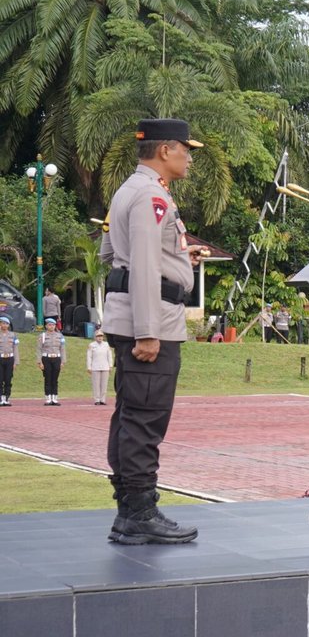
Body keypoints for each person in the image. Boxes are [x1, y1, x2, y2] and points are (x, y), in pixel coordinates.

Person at [99, 117, 204, 545]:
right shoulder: (151, 196)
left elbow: (112, 252)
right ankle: (139, 511)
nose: (190, 157)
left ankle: (130, 508)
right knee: (145, 418)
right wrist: (146, 330)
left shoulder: (130, 189)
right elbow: (141, 263)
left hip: (138, 312)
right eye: (185, 149)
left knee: (130, 415)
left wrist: (179, 261)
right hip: (153, 321)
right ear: (165, 151)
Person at [36, 318, 65, 405]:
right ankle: (48, 397)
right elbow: (39, 349)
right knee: (48, 378)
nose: (51, 326)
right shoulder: (43, 336)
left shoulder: (60, 336)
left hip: (56, 358)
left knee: (55, 379)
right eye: (49, 325)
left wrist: (63, 361)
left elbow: (62, 349)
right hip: (46, 358)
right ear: (46, 326)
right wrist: (39, 361)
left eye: (53, 325)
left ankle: (54, 397)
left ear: (55, 326)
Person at [86, 329, 114, 405]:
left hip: (105, 366)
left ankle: (103, 399)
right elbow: (89, 357)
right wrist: (89, 367)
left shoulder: (106, 344)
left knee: (104, 384)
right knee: (96, 384)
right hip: (95, 367)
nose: (100, 337)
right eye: (98, 336)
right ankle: (97, 399)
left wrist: (110, 365)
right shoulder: (92, 345)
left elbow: (109, 356)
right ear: (95, 337)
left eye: (101, 336)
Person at [0, 315, 16, 406]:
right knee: (0, 379)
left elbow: (15, 349)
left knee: (8, 379)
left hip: (10, 358)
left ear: (8, 325)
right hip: (0, 358)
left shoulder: (13, 335)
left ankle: (6, 397)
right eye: (2, 323)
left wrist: (16, 362)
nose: (4, 325)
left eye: (6, 323)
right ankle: (0, 398)